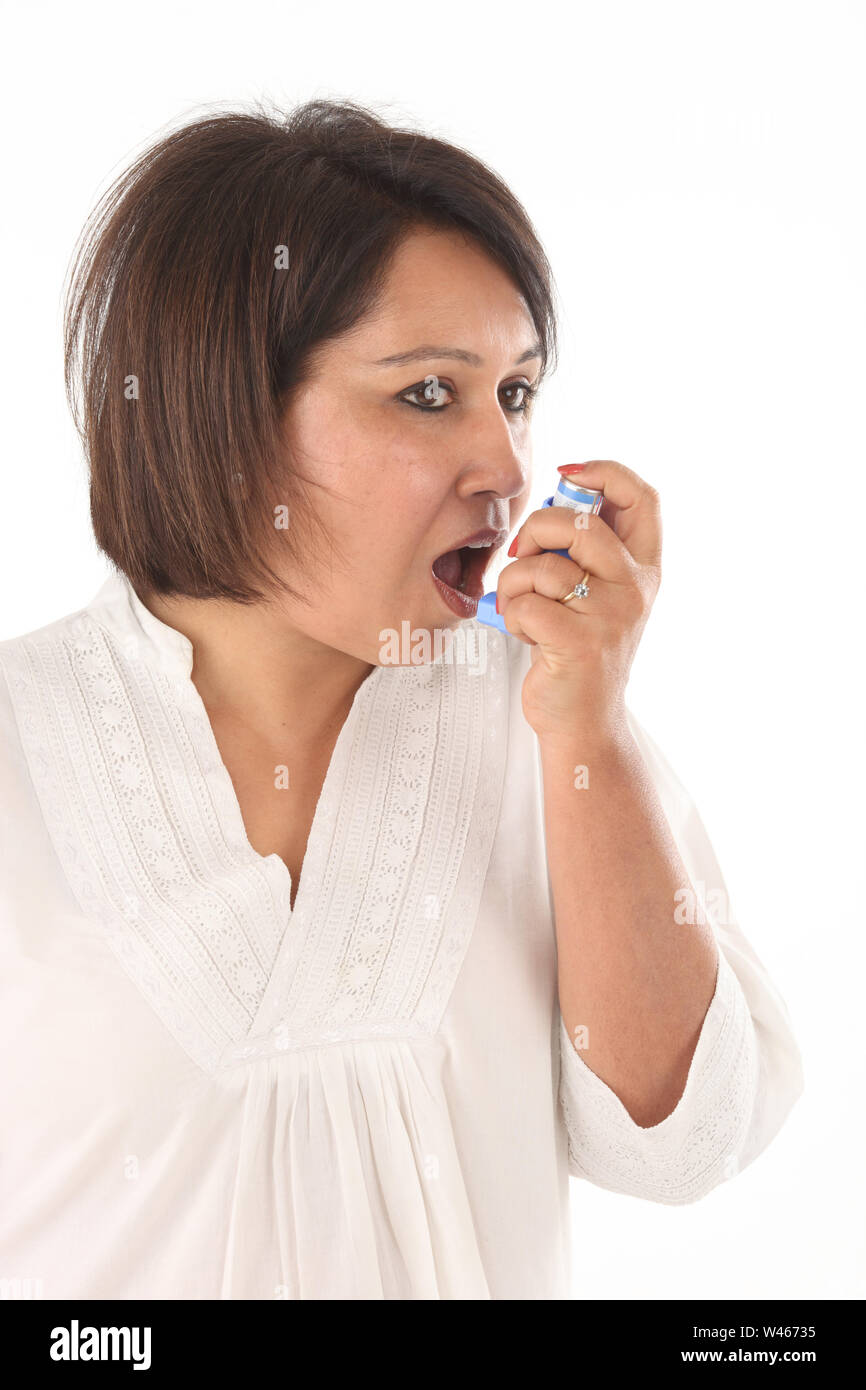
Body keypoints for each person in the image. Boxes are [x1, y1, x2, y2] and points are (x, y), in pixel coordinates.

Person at [0, 99, 803, 1300]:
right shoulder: (23, 742)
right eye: (428, 394)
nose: (507, 467)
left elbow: (677, 1141)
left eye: (516, 392)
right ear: (222, 415)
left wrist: (585, 727)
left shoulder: (546, 725)